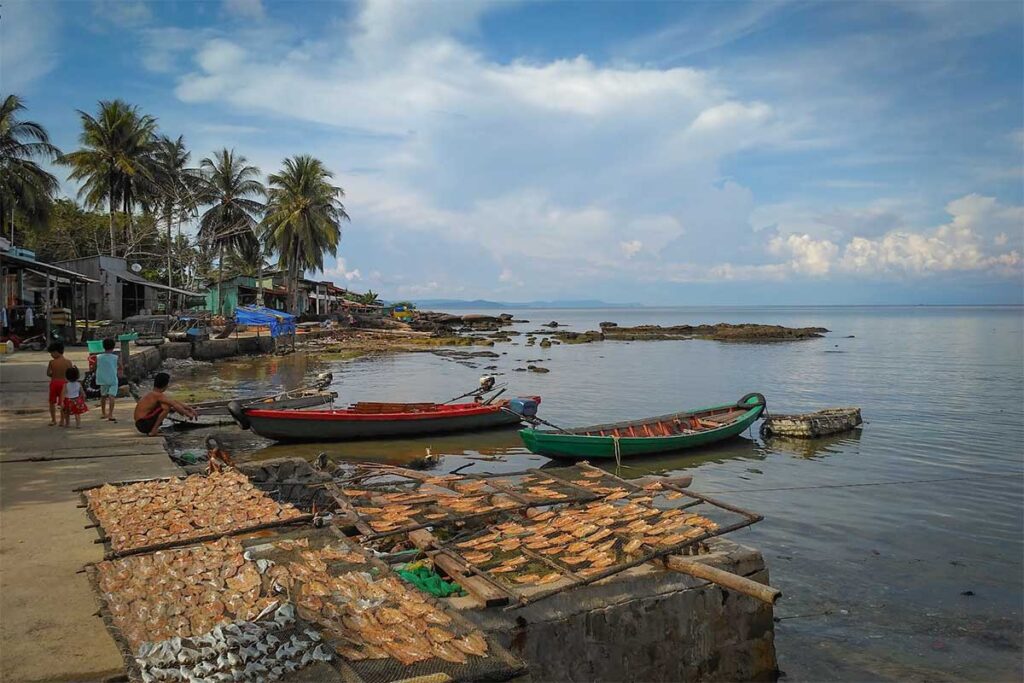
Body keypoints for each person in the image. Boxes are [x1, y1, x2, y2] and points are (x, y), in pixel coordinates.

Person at [133, 372, 198, 436]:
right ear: (166, 385)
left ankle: (153, 429)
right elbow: (174, 404)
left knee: (167, 403)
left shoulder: (154, 394)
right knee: (166, 407)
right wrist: (188, 414)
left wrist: (189, 408)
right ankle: (153, 431)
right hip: (143, 424)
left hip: (141, 424)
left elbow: (174, 402)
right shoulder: (157, 395)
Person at [46, 342, 74, 426]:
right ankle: (62, 420)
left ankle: (53, 419)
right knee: (63, 402)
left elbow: (48, 373)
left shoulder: (52, 362)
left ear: (56, 352)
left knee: (52, 402)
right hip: (65, 383)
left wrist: (53, 374)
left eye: (51, 353)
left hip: (54, 382)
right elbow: (71, 374)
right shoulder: (68, 362)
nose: (51, 355)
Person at [95, 338, 123, 421]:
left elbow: (95, 367)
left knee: (103, 396)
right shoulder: (115, 357)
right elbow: (120, 366)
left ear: (103, 347)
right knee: (112, 396)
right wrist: (120, 372)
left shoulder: (98, 357)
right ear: (113, 347)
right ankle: (110, 414)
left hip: (102, 379)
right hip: (113, 379)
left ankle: (103, 413)